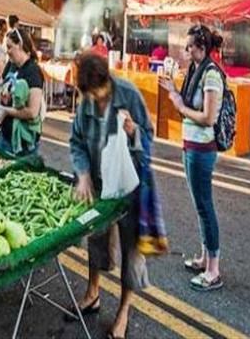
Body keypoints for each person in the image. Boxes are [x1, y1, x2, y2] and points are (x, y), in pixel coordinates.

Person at [69, 53, 152, 339]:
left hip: (130, 188)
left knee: (131, 249)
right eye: (89, 96)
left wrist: (134, 133)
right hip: (100, 187)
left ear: (107, 81)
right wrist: (82, 174)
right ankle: (93, 292)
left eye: (97, 94)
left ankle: (124, 311)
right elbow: (76, 141)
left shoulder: (128, 93)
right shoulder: (85, 103)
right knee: (96, 239)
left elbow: (149, 136)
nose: (94, 100)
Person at [162, 25, 226, 291]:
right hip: (190, 145)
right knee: (200, 206)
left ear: (201, 47)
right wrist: (175, 92)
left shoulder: (211, 75)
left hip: (202, 149)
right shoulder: (194, 72)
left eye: (189, 46)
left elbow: (208, 117)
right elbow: (188, 108)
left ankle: (213, 270)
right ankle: (204, 258)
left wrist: (179, 104)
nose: (186, 51)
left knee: (205, 206)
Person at [0, 28, 44, 155]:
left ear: (20, 45)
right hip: (5, 137)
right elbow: (1, 86)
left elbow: (32, 112)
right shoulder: (11, 65)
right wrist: (2, 97)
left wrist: (5, 111)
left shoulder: (33, 71)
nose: (7, 51)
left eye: (9, 47)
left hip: (23, 144)